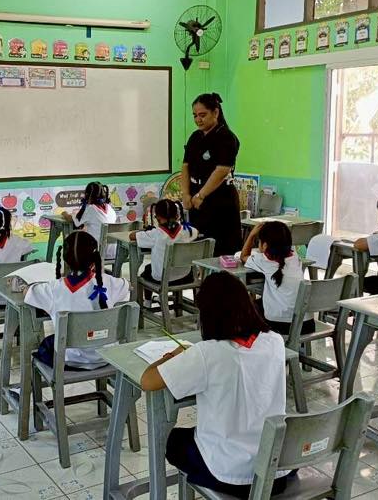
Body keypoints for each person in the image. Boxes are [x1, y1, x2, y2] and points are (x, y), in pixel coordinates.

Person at [139, 272, 291, 498]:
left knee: (175, 441)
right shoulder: (275, 341)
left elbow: (148, 381)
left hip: (229, 475)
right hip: (275, 469)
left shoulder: (207, 353)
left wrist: (172, 356)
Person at [27, 231, 130, 370]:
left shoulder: (52, 289)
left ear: (65, 259)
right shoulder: (110, 282)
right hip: (107, 356)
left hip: (70, 359)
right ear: (94, 258)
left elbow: (27, 293)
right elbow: (129, 286)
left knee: (46, 345)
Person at [180, 93, 242, 256]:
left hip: (220, 199)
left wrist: (201, 195)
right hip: (196, 197)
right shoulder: (195, 137)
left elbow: (222, 171)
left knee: (222, 249)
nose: (198, 120)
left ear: (215, 112)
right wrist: (186, 194)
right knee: (198, 246)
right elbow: (185, 167)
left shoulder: (226, 137)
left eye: (202, 115)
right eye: (195, 116)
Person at [240, 221, 308, 336]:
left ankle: (253, 344)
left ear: (265, 245)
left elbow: (243, 256)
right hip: (306, 324)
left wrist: (251, 235)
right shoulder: (296, 257)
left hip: (279, 325)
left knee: (246, 308)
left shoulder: (264, 260)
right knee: (259, 304)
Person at [130, 199, 199, 306]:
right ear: (177, 215)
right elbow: (196, 232)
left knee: (146, 271)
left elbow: (132, 236)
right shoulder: (188, 231)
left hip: (162, 278)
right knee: (154, 268)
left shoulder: (156, 234)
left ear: (157, 217)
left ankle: (147, 303)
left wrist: (145, 231)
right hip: (186, 276)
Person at [62, 181, 117, 253]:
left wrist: (64, 213)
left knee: (73, 245)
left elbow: (71, 219)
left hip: (96, 252)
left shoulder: (90, 209)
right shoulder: (110, 208)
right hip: (113, 252)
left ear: (87, 195)